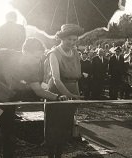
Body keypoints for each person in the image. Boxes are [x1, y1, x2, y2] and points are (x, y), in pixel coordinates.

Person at [0, 38, 67, 158]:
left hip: (8, 102)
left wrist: (57, 97)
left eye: (40, 57)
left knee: (9, 136)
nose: (38, 61)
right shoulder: (5, 54)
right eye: (36, 57)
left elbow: (38, 90)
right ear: (25, 52)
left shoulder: (33, 68)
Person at [45, 24, 83, 158]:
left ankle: (59, 155)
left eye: (74, 39)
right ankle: (51, 155)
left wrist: (76, 96)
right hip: (57, 91)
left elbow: (76, 77)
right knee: (53, 128)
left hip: (72, 90)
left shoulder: (76, 53)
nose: (72, 42)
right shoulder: (54, 53)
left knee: (65, 128)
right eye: (69, 39)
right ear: (61, 38)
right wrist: (69, 95)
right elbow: (56, 79)